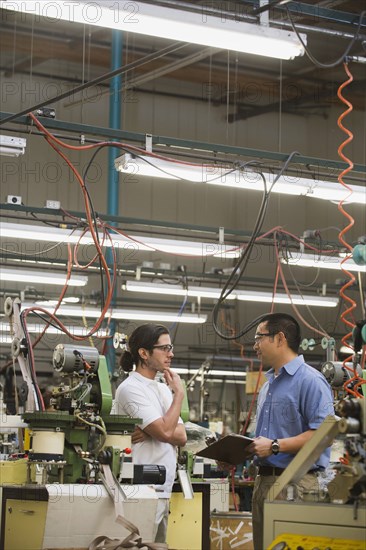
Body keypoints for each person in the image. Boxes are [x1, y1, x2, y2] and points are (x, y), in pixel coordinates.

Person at [247, 313, 335, 550]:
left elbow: (324, 435)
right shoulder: (268, 386)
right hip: (264, 482)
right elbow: (265, 438)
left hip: (297, 485)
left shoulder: (311, 381)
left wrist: (275, 446)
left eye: (259, 338)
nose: (255, 345)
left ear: (279, 338)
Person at [112, 323, 187, 544]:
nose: (170, 353)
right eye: (164, 348)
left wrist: (154, 429)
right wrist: (179, 395)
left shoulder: (163, 388)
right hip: (140, 491)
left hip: (163, 489)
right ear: (143, 353)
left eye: (170, 347)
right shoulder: (130, 388)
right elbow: (165, 431)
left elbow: (181, 436)